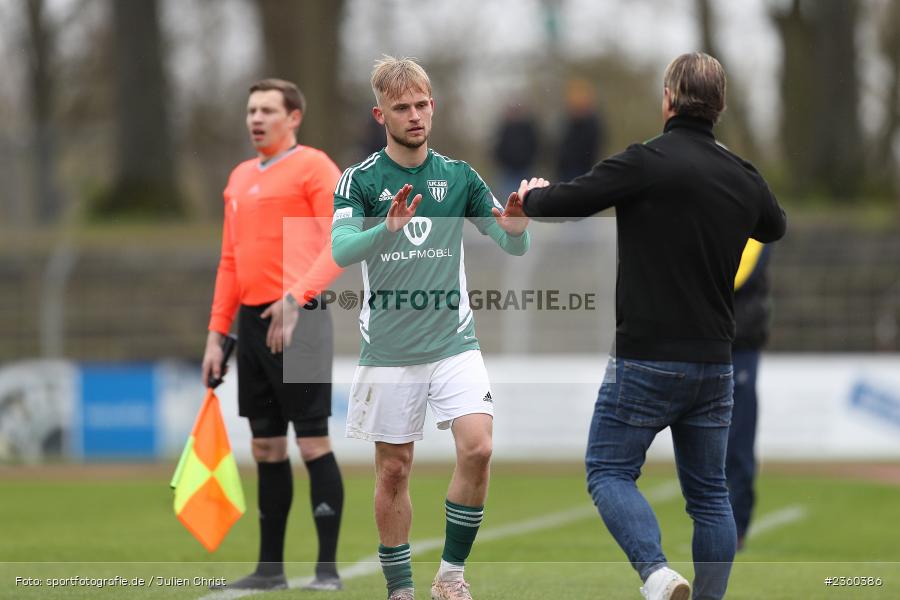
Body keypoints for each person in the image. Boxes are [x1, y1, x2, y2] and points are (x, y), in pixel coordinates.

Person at [520, 53, 786, 600]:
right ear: (720, 106)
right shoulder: (741, 174)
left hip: (645, 356)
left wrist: (530, 197)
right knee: (711, 495)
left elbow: (570, 201)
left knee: (608, 470)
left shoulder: (646, 161)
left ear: (667, 99)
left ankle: (657, 574)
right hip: (716, 360)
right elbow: (774, 223)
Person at [331, 56, 531, 600]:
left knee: (478, 447)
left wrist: (516, 226)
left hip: (453, 342)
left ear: (433, 106)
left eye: (422, 104)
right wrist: (385, 229)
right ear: (381, 114)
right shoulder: (361, 181)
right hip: (390, 350)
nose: (415, 115)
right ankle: (400, 588)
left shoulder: (460, 176)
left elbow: (511, 241)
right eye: (402, 107)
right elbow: (341, 248)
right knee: (394, 470)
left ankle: (451, 577)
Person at [201, 78, 345, 592]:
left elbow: (340, 243)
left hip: (302, 322)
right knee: (265, 447)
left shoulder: (314, 167)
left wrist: (297, 297)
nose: (255, 118)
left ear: (294, 117)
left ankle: (327, 570)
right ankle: (270, 570)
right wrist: (218, 333)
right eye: (250, 110)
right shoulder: (239, 177)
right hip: (250, 322)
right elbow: (230, 260)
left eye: (266, 109)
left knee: (311, 442)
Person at [727, 239, 772, 550]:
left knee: (738, 439)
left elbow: (737, 275)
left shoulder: (754, 220)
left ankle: (737, 526)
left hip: (738, 343)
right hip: (702, 340)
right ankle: (716, 523)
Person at [556, 78, 606, 183]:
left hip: (583, 168)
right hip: (567, 169)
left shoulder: (591, 123)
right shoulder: (568, 122)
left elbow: (592, 145)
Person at [493, 103, 540, 200]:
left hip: (525, 170)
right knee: (509, 199)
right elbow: (498, 148)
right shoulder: (505, 129)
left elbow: (535, 146)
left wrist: (528, 160)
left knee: (525, 199)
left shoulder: (528, 128)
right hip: (508, 171)